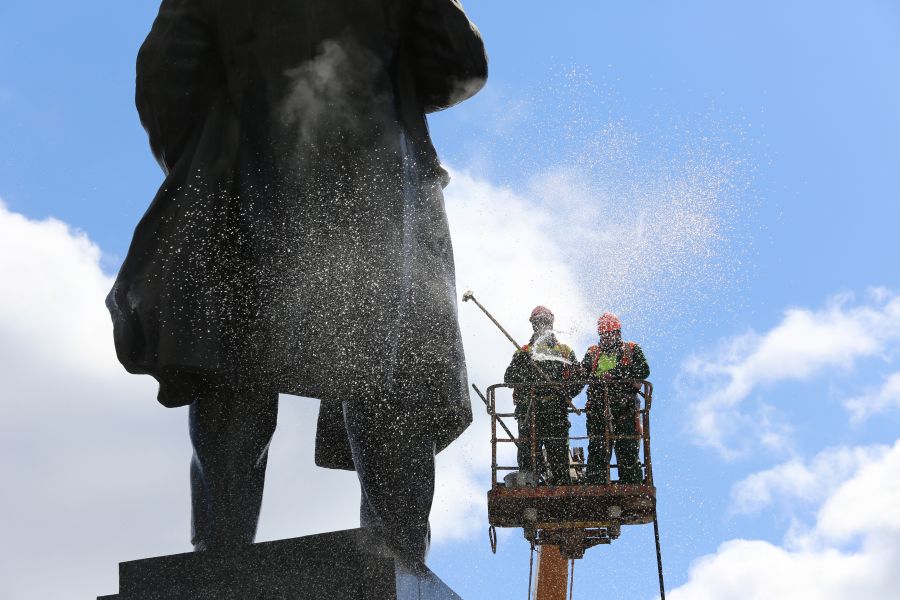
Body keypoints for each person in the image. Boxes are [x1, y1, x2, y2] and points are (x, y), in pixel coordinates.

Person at [106, 0, 487, 564]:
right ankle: (399, 557)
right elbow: (457, 62)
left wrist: (207, 161)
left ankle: (219, 555)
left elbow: (168, 78)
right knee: (389, 365)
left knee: (231, 357)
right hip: (375, 180)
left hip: (247, 170)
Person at [504, 306, 580, 486]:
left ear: (551, 323)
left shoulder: (564, 351)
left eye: (545, 321)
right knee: (528, 457)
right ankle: (529, 486)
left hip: (555, 411)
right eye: (539, 322)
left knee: (558, 456)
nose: (542, 325)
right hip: (530, 411)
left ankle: (562, 488)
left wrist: (566, 392)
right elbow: (509, 379)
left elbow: (578, 378)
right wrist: (521, 363)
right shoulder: (523, 351)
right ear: (533, 324)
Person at [581, 313, 650, 485]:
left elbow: (643, 370)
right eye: (603, 335)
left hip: (625, 409)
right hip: (598, 409)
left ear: (618, 332)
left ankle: (631, 485)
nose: (607, 338)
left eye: (610, 334)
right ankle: (596, 486)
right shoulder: (593, 352)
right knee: (598, 450)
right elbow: (582, 374)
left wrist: (615, 374)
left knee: (627, 449)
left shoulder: (631, 349)